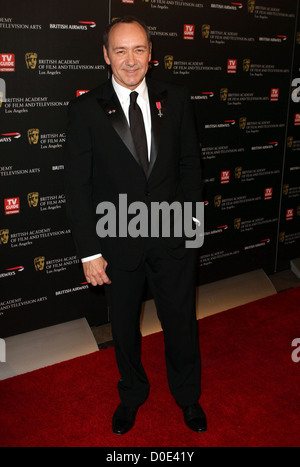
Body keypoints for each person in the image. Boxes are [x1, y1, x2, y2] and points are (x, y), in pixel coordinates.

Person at [65, 16, 206, 435]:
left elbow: (190, 166)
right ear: (106, 55)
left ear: (151, 53)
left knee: (181, 321)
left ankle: (188, 396)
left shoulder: (176, 98)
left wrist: (190, 226)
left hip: (172, 236)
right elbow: (78, 186)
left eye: (139, 50)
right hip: (117, 242)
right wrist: (90, 251)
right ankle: (131, 394)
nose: (131, 60)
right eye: (121, 51)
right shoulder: (85, 110)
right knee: (124, 327)